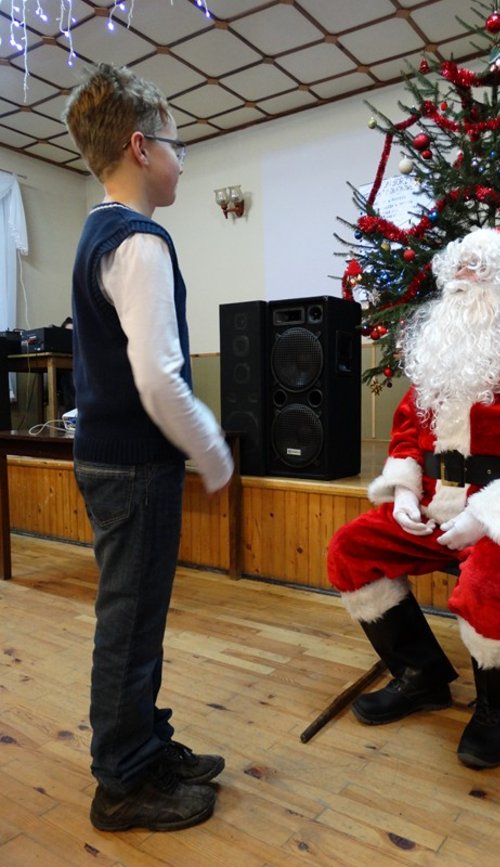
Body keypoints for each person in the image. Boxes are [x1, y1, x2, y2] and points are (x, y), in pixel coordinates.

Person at [327, 226, 500, 769]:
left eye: (477, 267)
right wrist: (404, 491)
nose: (460, 277)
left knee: (486, 584)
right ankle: (421, 674)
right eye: (456, 265)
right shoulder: (442, 351)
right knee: (352, 549)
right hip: (438, 505)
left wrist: (486, 517)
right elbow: (408, 430)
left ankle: (497, 711)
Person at [62, 63, 234, 831]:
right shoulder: (140, 241)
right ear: (140, 146)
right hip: (135, 466)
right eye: (177, 145)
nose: (182, 160)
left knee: (136, 617)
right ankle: (122, 780)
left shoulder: (97, 231)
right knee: (130, 623)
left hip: (110, 460)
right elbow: (160, 380)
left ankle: (144, 741)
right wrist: (213, 451)